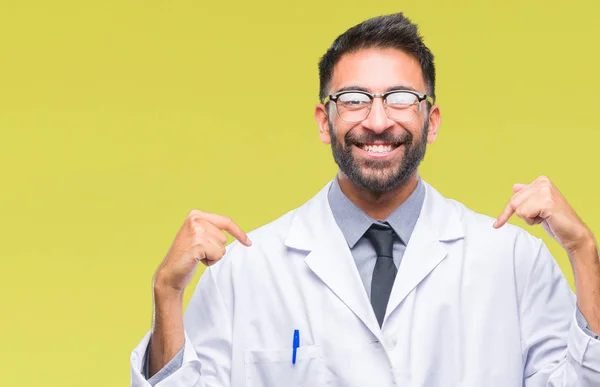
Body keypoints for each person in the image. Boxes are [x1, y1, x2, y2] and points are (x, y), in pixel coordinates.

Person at [130, 13, 600, 387]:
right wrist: (167, 294)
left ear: (431, 121)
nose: (377, 121)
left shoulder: (515, 263)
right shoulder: (246, 271)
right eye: (354, 99)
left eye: (399, 98)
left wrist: (584, 253)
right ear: (323, 120)